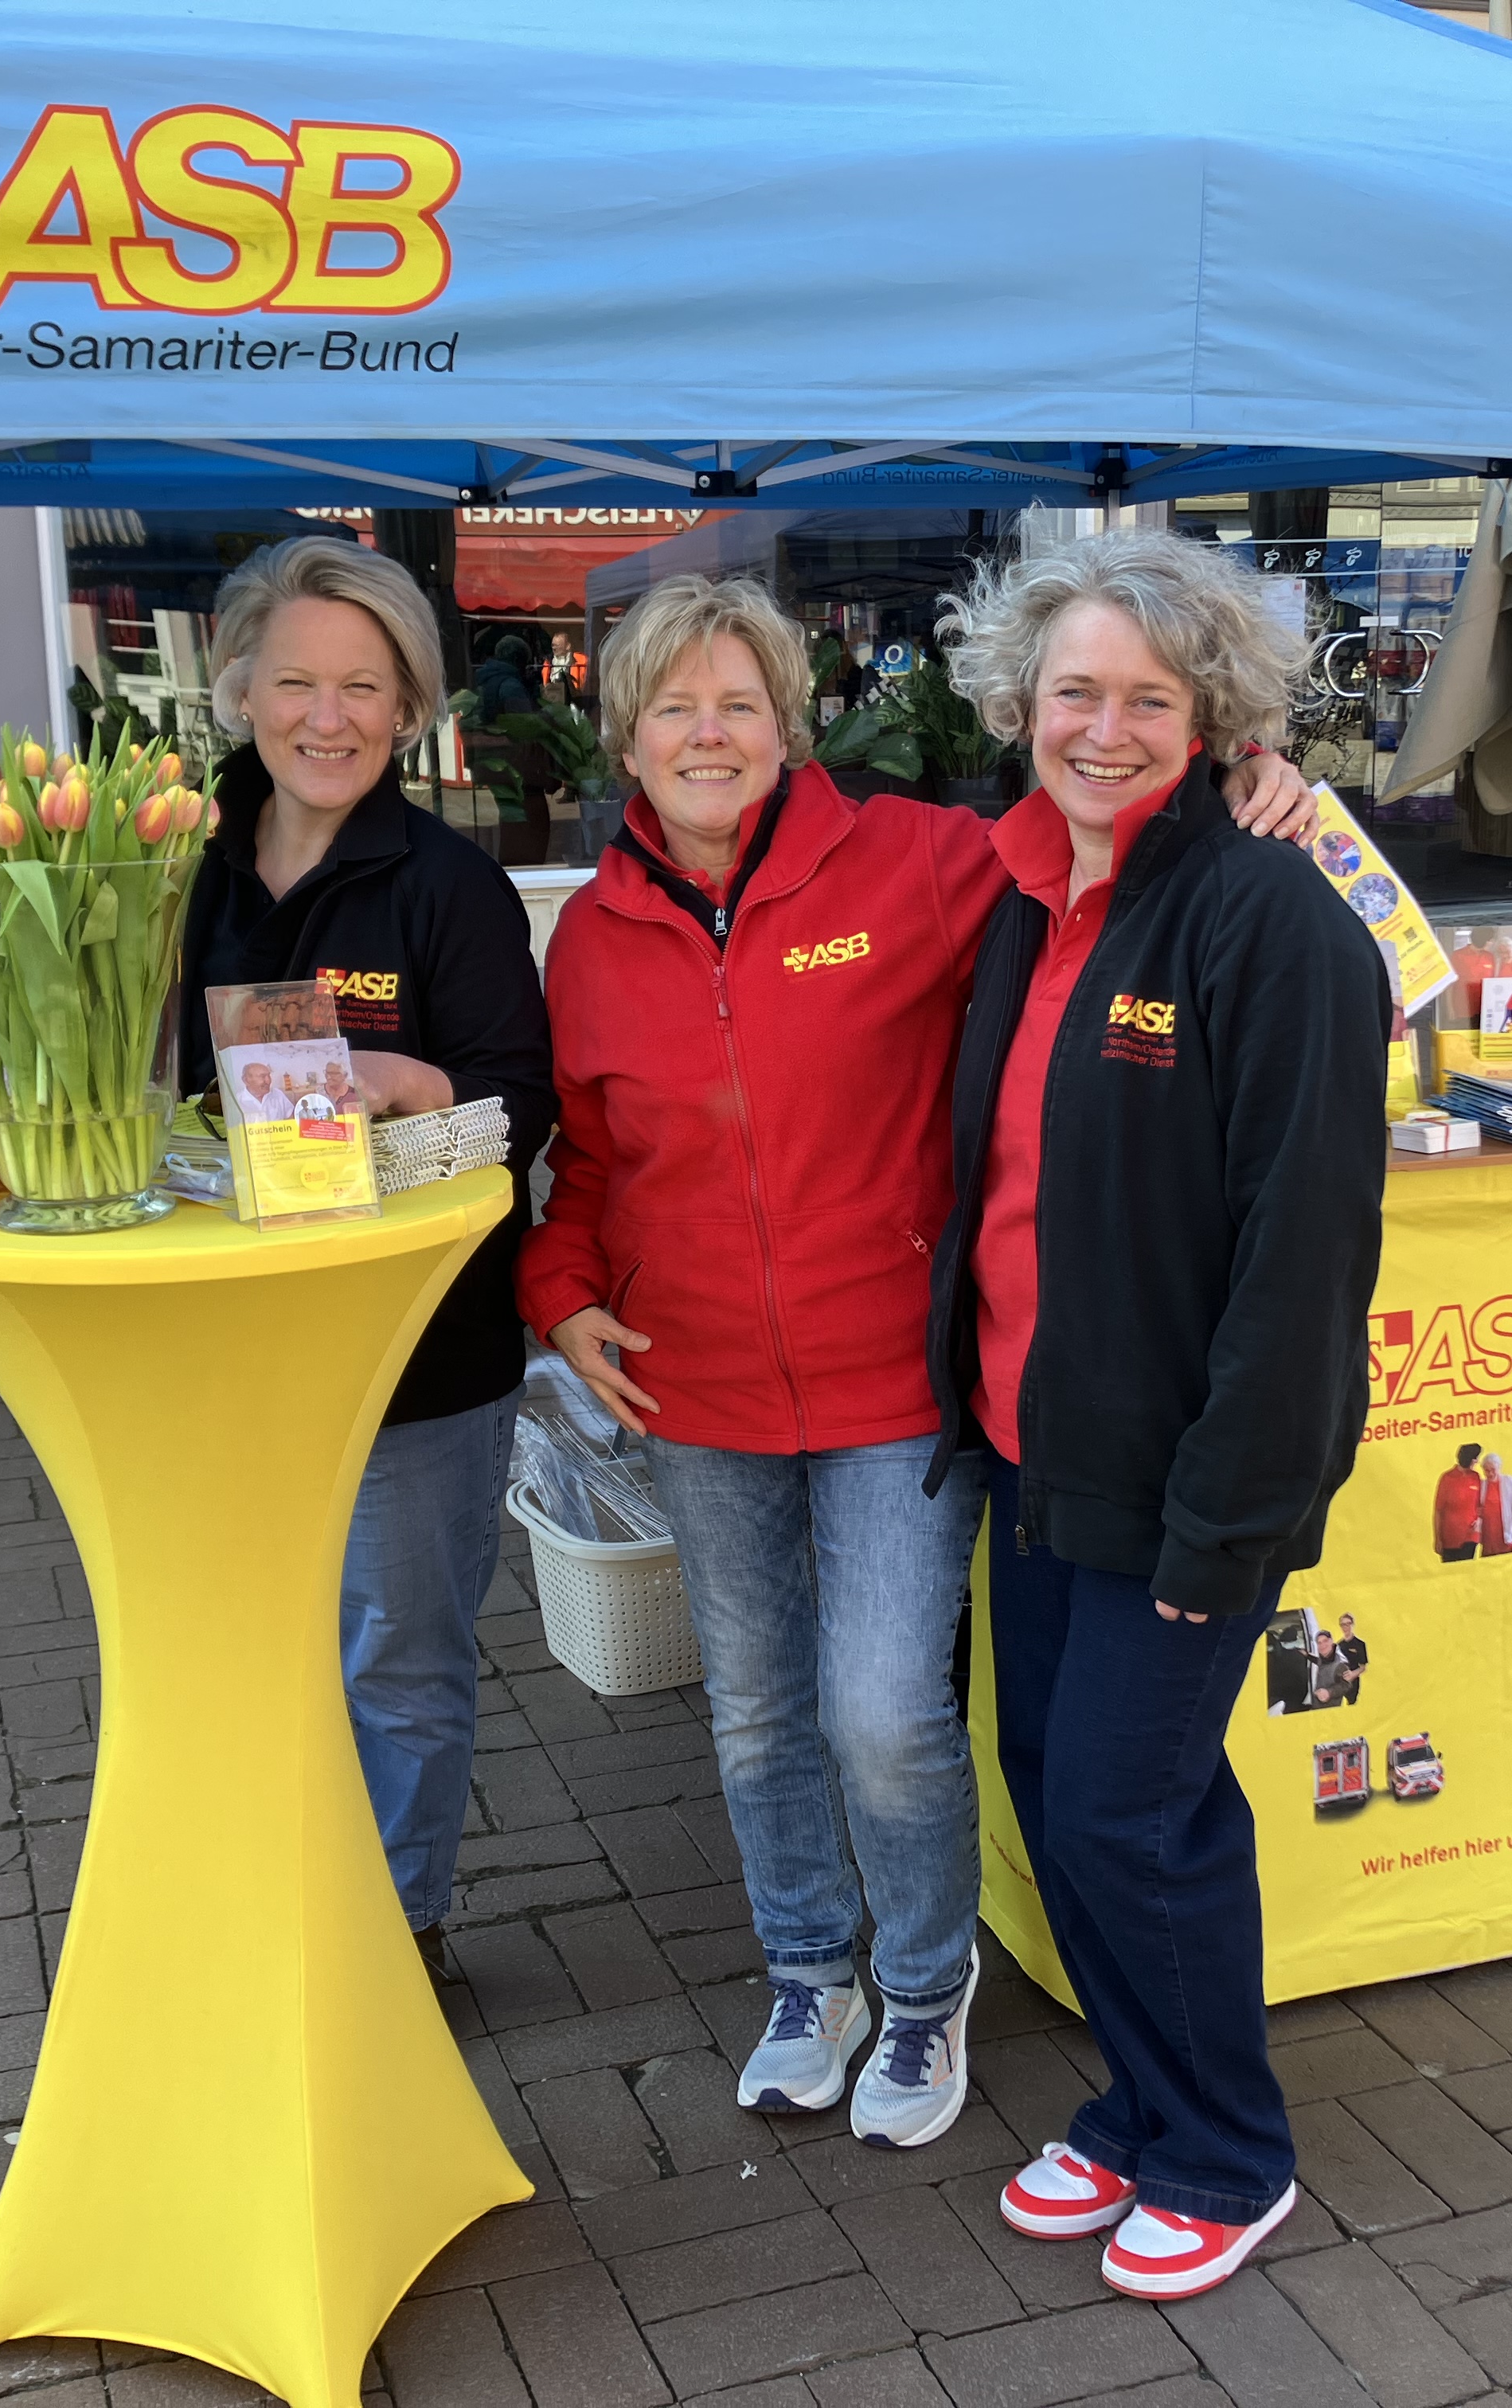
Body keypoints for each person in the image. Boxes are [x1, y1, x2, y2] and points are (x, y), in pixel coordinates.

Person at [522, 573, 1315, 2150]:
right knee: (754, 1717)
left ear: (790, 723)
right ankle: (811, 1971)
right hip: (701, 1391)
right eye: (675, 706)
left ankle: (929, 1981)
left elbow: (1108, 824)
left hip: (899, 1386)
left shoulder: (924, 863)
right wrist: (557, 1296)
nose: (709, 733)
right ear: (624, 735)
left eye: (740, 703)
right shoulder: (594, 941)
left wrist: (1258, 782)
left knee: (886, 1711)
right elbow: (587, 1162)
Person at [924, 523, 1386, 2300]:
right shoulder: (1023, 898)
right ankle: (1143, 2096)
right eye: (1072, 693)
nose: (1102, 730)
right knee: (1052, 1794)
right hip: (1036, 1453)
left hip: (1186, 1483)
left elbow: (1301, 1263)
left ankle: (1228, 2149)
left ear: (1217, 720)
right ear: (1019, 703)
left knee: (1139, 1813)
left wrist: (1234, 1520)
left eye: (1147, 699)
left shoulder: (1276, 923)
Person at [177, 536, 556, 1976]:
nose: (326, 716)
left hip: (417, 1353)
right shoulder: (179, 866)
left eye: (362, 686)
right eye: (296, 682)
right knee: (252, 1642)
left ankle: (395, 1940)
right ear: (240, 691)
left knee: (401, 1659)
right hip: (222, 1338)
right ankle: (272, 1899)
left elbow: (524, 1103)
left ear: (406, 711)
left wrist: (411, 1089)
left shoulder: (446, 886)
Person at [1433, 1443, 1484, 1562]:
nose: (1477, 1462)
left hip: (1470, 1536)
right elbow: (1438, 1511)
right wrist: (1438, 1538)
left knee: (1467, 1570)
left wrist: (1479, 1521)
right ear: (1470, 1460)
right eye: (1476, 1459)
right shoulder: (1447, 1478)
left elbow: (1481, 1505)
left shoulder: (1476, 1477)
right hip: (1450, 1536)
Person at [1479, 1452, 1512, 1558]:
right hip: (1488, 1531)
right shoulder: (1482, 1485)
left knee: (1504, 1558)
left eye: (1493, 1470)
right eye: (1487, 1470)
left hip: (1505, 1527)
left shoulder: (1509, 1482)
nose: (1490, 1473)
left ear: (1499, 1468)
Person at [1334, 1612, 1369, 1705]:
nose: (1345, 1627)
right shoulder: (1339, 1645)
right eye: (1343, 1624)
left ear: (1352, 1625)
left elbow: (1363, 1667)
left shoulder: (1360, 1644)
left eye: (1348, 1624)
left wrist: (1353, 1674)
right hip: (1340, 1682)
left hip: (1353, 1684)